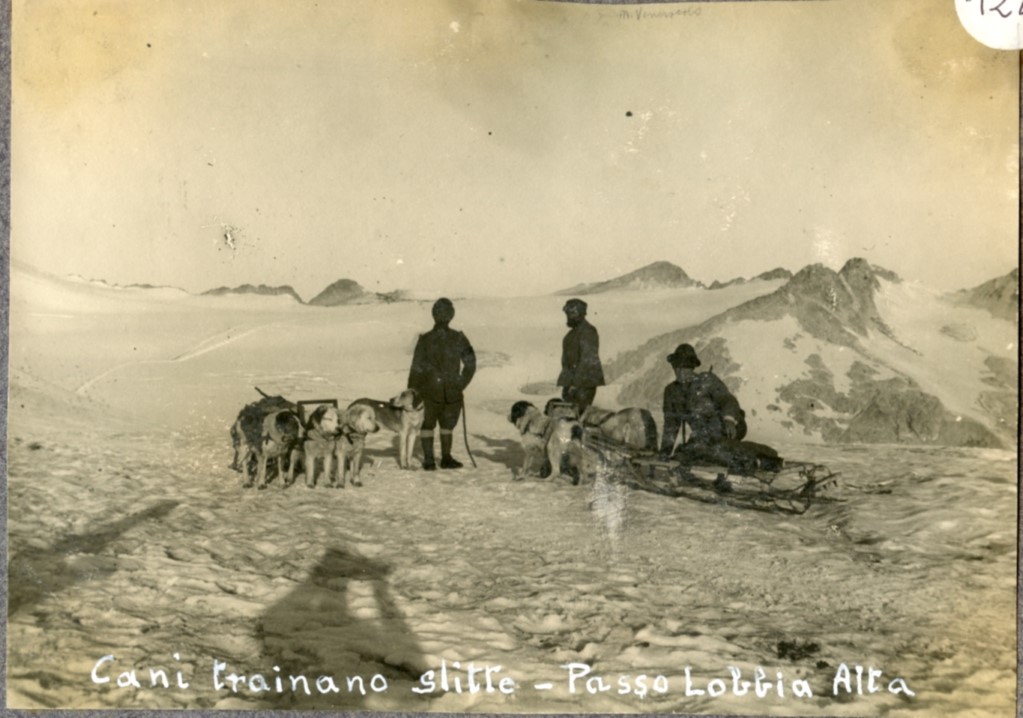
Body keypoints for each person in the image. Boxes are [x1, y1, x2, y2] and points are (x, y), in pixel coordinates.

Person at [408, 298, 476, 470]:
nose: (442, 316)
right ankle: (441, 459)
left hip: (432, 392)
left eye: (443, 313)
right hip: (446, 392)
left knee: (433, 425)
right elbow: (471, 363)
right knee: (442, 426)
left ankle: (432, 460)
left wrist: (414, 392)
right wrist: (461, 382)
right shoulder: (458, 338)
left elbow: (415, 369)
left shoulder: (425, 339)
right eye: (440, 313)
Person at [659, 343, 747, 462]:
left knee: (721, 455)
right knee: (684, 454)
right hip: (702, 435)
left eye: (685, 367)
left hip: (729, 427)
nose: (680, 372)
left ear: (692, 367)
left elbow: (728, 400)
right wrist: (665, 451)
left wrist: (729, 420)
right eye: (677, 367)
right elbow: (671, 425)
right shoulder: (671, 391)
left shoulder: (707, 380)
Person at [557, 298, 604, 415]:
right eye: (567, 314)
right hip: (572, 384)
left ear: (579, 314)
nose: (568, 317)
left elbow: (587, 360)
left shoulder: (588, 331)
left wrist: (575, 384)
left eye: (571, 314)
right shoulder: (572, 334)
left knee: (579, 418)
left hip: (583, 384)